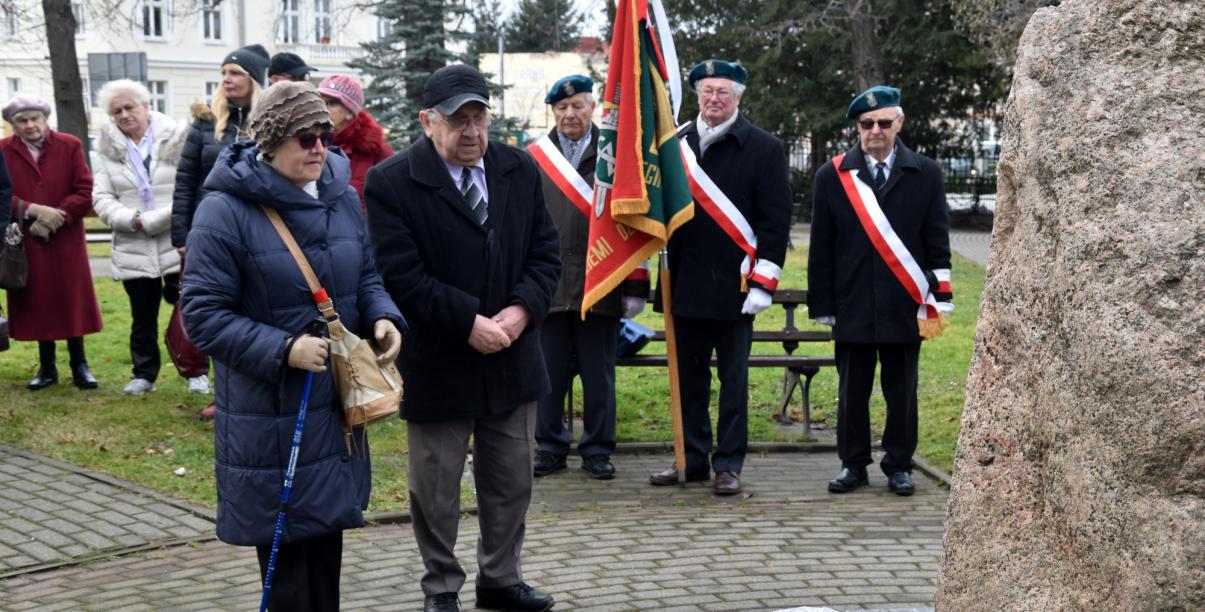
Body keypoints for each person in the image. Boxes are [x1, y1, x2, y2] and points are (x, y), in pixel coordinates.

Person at [179, 81, 405, 610]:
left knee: (326, 544)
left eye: (325, 135)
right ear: (270, 142)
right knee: (286, 568)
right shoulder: (224, 210)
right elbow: (203, 316)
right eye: (305, 138)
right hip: (271, 413)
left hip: (334, 405)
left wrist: (383, 316)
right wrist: (284, 349)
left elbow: (366, 273)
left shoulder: (342, 196)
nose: (319, 148)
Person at [365, 64, 559, 612]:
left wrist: (521, 313)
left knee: (511, 481)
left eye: (479, 118)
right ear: (428, 122)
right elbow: (400, 274)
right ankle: (441, 588)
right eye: (458, 121)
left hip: (512, 356)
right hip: (441, 359)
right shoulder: (392, 182)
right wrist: (468, 322)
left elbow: (546, 255)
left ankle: (500, 579)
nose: (472, 131)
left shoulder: (518, 169)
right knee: (435, 488)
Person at [649, 60, 792, 496]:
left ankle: (728, 464)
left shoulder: (764, 148)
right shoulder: (673, 144)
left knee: (733, 383)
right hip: (686, 282)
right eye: (707, 91)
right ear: (697, 95)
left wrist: (765, 279)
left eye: (723, 92)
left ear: (738, 98)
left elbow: (775, 221)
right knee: (688, 378)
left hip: (735, 287)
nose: (714, 99)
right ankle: (690, 458)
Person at [807, 85, 953, 497]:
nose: (875, 130)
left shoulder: (925, 173)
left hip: (904, 305)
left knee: (901, 392)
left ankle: (900, 464)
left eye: (883, 122)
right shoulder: (832, 176)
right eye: (866, 123)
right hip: (851, 303)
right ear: (857, 128)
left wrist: (939, 298)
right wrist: (823, 304)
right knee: (852, 392)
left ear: (899, 123)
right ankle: (853, 464)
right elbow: (821, 247)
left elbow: (936, 239)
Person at [529, 75, 647, 480]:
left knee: (600, 376)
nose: (569, 114)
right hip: (550, 287)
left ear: (593, 107)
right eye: (561, 108)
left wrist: (634, 286)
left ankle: (597, 448)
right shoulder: (535, 159)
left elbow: (633, 222)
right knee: (548, 374)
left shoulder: (613, 156)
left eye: (577, 105)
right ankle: (549, 445)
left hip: (602, 282)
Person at [173, 43, 267, 416]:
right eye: (224, 73)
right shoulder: (205, 122)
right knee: (216, 308)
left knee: (251, 309)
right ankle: (221, 392)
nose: (227, 80)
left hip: (257, 228)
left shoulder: (267, 119)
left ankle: (250, 385)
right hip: (209, 228)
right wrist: (181, 234)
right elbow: (186, 180)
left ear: (253, 79)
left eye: (236, 73)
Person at [92, 79, 198, 396]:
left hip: (175, 241)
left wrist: (158, 218)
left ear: (146, 106)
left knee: (190, 311)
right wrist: (134, 220)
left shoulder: (177, 138)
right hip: (133, 243)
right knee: (142, 317)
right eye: (117, 111)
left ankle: (196, 371)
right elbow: (101, 198)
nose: (124, 115)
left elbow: (188, 188)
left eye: (130, 107)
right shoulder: (106, 150)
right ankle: (144, 374)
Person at [2, 96, 102, 390]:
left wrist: (56, 217)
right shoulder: (3, 151)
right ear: (13, 125)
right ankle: (47, 368)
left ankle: (80, 364)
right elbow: (0, 194)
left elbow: (85, 189)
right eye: (22, 120)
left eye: (35, 118)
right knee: (38, 299)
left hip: (66, 236)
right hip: (25, 240)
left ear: (45, 119)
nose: (30, 125)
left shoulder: (69, 144)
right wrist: (32, 210)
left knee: (71, 298)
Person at [316, 75, 392, 207]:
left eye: (332, 103)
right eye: (320, 102)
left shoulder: (376, 152)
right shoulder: (309, 144)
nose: (323, 108)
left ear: (350, 112)